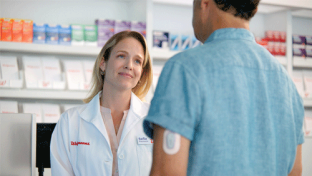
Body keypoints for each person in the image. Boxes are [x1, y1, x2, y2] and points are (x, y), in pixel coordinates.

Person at [143, 0, 304, 175]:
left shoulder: (185, 69)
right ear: (255, 8)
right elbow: (295, 171)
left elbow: (166, 172)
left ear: (204, 3)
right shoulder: (287, 84)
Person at [50, 31, 153, 176]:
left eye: (137, 61)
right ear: (103, 64)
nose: (129, 65)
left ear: (141, 73)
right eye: (121, 56)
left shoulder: (155, 120)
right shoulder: (69, 122)